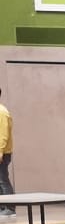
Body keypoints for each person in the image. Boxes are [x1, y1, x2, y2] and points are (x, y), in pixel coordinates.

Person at [0, 86, 13, 216]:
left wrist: (1, 151)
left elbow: (4, 134)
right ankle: (2, 207)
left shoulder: (2, 112)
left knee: (3, 179)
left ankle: (10, 207)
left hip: (3, 152)